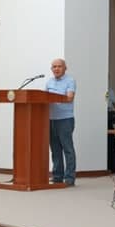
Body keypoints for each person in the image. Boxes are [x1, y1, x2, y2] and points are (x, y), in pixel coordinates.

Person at [45, 58, 76, 187]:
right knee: (55, 149)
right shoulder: (49, 82)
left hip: (65, 119)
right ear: (51, 69)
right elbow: (44, 98)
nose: (56, 69)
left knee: (67, 149)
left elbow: (69, 98)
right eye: (54, 66)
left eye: (59, 66)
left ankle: (69, 178)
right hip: (51, 119)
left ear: (65, 68)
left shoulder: (70, 81)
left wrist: (53, 97)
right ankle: (57, 176)